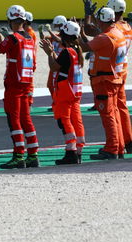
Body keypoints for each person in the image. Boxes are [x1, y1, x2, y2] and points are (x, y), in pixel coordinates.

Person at [0, 5, 39, 169]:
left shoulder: (13, 38)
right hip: (27, 84)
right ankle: (33, 154)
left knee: (14, 120)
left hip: (14, 85)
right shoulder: (29, 37)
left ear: (10, 20)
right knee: (26, 119)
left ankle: (19, 155)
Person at [78, 7, 126, 160]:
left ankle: (112, 148)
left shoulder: (105, 37)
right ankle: (118, 146)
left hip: (104, 81)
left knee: (107, 115)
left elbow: (85, 47)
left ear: (101, 20)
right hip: (114, 79)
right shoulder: (118, 33)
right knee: (115, 114)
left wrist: (79, 34)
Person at [40, 21, 86, 164]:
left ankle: (70, 151)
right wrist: (52, 52)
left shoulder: (67, 52)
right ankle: (78, 151)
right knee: (76, 120)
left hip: (65, 91)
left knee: (64, 120)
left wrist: (49, 54)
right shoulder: (76, 50)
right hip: (75, 92)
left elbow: (54, 67)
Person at [107, 0, 132, 153]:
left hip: (114, 70)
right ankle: (127, 140)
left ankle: (118, 143)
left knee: (113, 108)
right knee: (121, 106)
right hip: (123, 67)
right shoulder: (128, 26)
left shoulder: (115, 27)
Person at [39, 15, 67, 111]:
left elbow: (61, 41)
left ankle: (59, 103)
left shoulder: (66, 36)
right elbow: (45, 40)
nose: (56, 27)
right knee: (50, 85)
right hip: (54, 62)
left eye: (57, 25)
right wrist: (40, 32)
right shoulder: (55, 36)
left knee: (59, 85)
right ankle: (56, 102)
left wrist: (50, 31)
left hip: (62, 64)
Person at [24, 11, 38, 106]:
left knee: (28, 83)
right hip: (27, 61)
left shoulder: (30, 33)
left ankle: (29, 101)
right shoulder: (28, 32)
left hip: (29, 61)